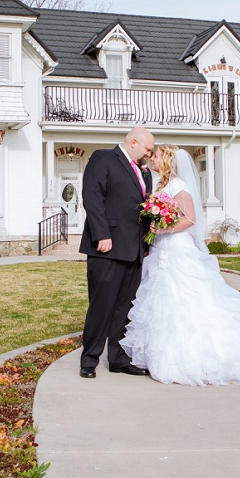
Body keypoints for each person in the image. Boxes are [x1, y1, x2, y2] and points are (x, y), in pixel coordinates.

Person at [120, 145, 240, 386]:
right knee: (163, 303)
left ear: (166, 160)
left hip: (177, 250)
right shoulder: (163, 185)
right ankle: (163, 356)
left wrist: (163, 228)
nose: (152, 159)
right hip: (162, 250)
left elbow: (190, 219)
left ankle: (190, 359)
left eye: (156, 156)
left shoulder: (178, 185)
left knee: (185, 301)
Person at [78, 126, 155, 378]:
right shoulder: (103, 158)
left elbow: (142, 208)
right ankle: (89, 360)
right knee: (101, 306)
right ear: (134, 142)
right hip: (107, 247)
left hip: (133, 250)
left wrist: (145, 244)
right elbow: (92, 195)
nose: (149, 154)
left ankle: (118, 358)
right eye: (147, 148)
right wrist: (102, 234)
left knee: (125, 307)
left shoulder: (144, 173)